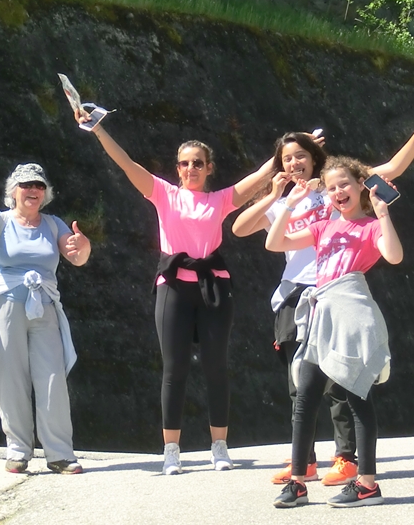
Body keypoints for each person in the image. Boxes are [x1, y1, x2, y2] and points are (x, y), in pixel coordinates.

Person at [231, 107, 414, 486]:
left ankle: (346, 457)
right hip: (295, 295)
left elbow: (392, 168)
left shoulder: (333, 191)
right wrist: (276, 192)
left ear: (315, 158)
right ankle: (304, 461)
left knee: (340, 380)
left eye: (301, 155)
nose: (294, 163)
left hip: (335, 290)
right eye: (286, 158)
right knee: (300, 381)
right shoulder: (284, 202)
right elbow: (241, 228)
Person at [76, 109, 276, 475]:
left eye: (198, 163)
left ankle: (219, 446)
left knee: (216, 366)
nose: (191, 168)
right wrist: (98, 129)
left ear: (209, 168)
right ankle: (171, 450)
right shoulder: (164, 194)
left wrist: (294, 149)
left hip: (213, 286)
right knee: (175, 368)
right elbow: (126, 163)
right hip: (173, 286)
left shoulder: (220, 200)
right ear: (178, 168)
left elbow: (263, 174)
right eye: (185, 163)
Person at [266, 157, 403, 508]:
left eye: (344, 184)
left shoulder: (370, 227)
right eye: (331, 187)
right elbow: (274, 243)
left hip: (351, 313)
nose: (338, 191)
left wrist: (383, 213)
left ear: (360, 186)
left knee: (358, 397)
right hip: (321, 315)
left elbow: (393, 255)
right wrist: (290, 204)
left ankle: (367, 484)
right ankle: (298, 482)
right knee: (305, 397)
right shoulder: (322, 227)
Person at [0, 163, 91, 475]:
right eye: (27, 185)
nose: (33, 190)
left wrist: (83, 247)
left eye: (39, 186)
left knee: (53, 378)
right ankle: (18, 450)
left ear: (45, 193)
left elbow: (76, 256)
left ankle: (60, 454)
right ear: (13, 192)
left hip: (44, 307)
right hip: (4, 306)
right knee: (9, 378)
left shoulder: (54, 224)